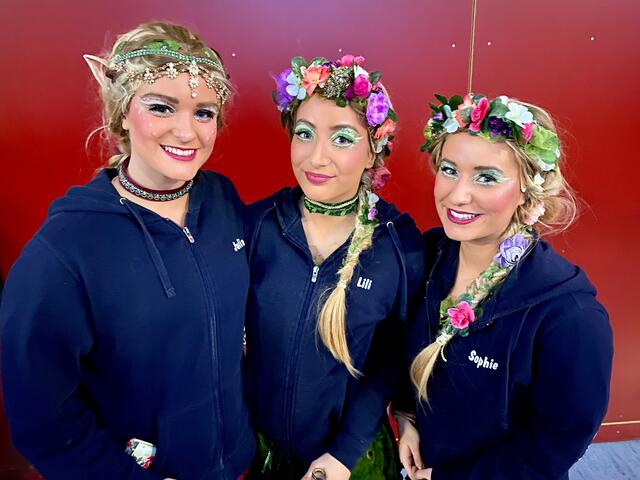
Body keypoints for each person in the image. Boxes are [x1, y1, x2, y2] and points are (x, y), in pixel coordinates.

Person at [0, 21, 254, 480]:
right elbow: (42, 423)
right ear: (121, 113)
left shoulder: (222, 199)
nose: (187, 132)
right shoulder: (64, 251)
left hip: (236, 463)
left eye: (204, 112)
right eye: (161, 107)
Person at [396, 93, 613, 480]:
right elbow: (397, 347)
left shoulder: (570, 316)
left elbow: (553, 446)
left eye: (486, 177)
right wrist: (406, 415)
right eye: (449, 169)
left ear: (528, 189)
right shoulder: (423, 258)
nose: (457, 195)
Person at [243, 55, 424, 480]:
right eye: (304, 134)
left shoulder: (399, 246)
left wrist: (344, 455)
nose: (316, 157)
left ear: (373, 150)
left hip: (351, 459)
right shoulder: (256, 225)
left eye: (342, 138)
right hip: (256, 449)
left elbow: (392, 359)